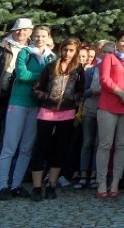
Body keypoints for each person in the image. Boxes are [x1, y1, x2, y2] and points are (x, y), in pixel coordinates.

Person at [0, 24, 53, 200]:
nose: (39, 39)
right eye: (36, 35)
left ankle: (16, 185)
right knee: (9, 146)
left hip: (37, 104)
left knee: (27, 147)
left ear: (48, 37)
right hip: (19, 102)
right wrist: (44, 77)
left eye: (43, 36)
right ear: (32, 36)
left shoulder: (51, 57)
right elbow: (22, 75)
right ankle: (2, 185)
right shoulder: (24, 53)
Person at [29, 37, 85, 201]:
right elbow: (36, 89)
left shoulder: (78, 69)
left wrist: (72, 97)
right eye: (65, 49)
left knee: (59, 149)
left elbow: (81, 91)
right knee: (41, 148)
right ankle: (37, 186)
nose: (67, 53)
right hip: (47, 111)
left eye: (71, 50)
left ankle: (52, 184)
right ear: (61, 50)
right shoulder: (50, 67)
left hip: (67, 112)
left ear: (75, 52)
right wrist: (48, 97)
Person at [0, 18, 34, 179]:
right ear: (13, 31)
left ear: (30, 32)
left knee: (6, 140)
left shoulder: (32, 50)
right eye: (18, 30)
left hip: (17, 99)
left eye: (25, 30)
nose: (21, 33)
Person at [96, 30, 124, 199]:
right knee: (105, 145)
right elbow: (105, 80)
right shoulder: (110, 58)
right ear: (117, 42)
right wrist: (121, 93)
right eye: (123, 41)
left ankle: (115, 182)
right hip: (109, 105)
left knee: (122, 145)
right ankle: (101, 182)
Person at [75, 41, 114, 190]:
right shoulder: (91, 71)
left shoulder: (114, 71)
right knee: (87, 142)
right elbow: (81, 92)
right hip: (90, 110)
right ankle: (83, 173)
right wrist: (91, 92)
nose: (108, 55)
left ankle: (95, 175)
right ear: (99, 53)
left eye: (111, 53)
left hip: (106, 111)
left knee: (100, 143)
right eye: (105, 52)